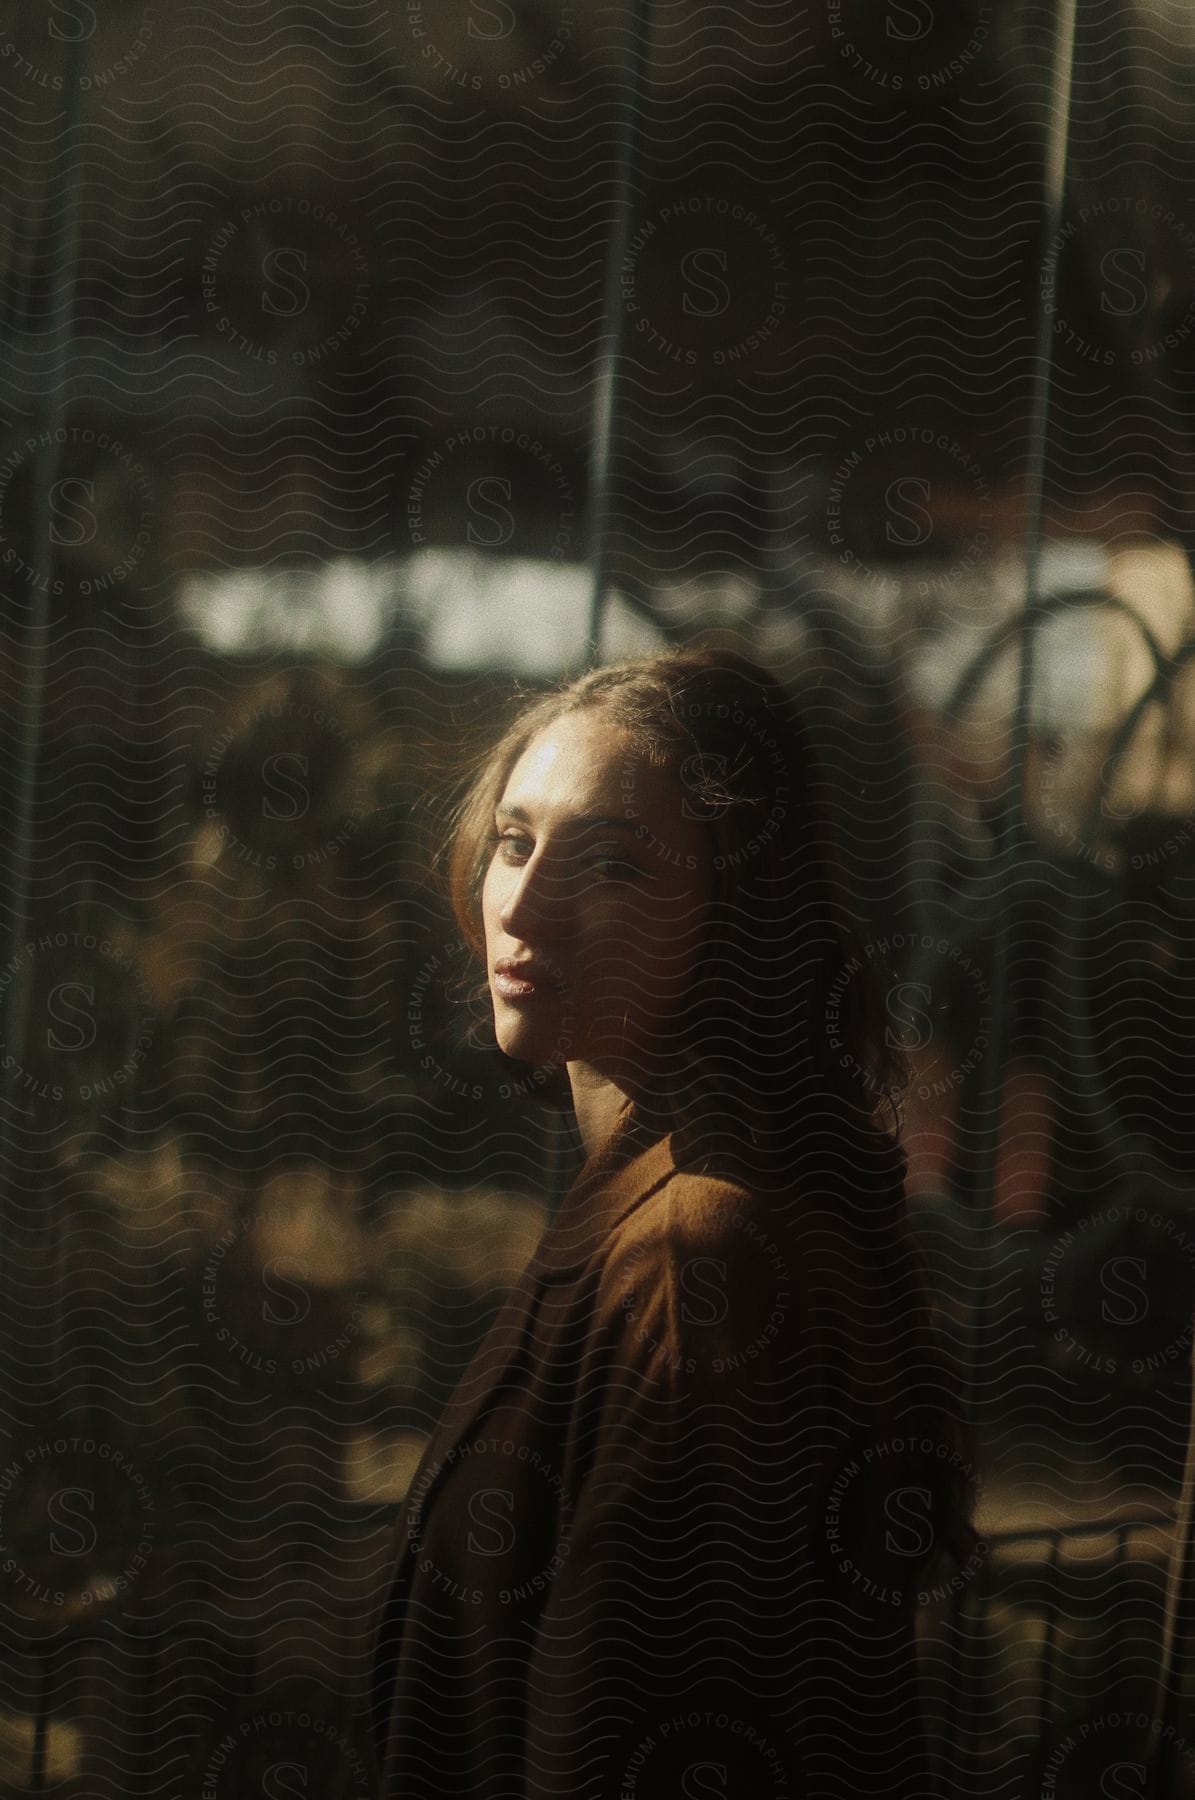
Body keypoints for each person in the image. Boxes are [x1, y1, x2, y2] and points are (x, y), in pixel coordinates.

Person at [371, 647, 979, 1799]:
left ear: (733, 914)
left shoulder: (699, 1257)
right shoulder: (665, 1206)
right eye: (514, 841)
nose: (527, 900)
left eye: (611, 864)